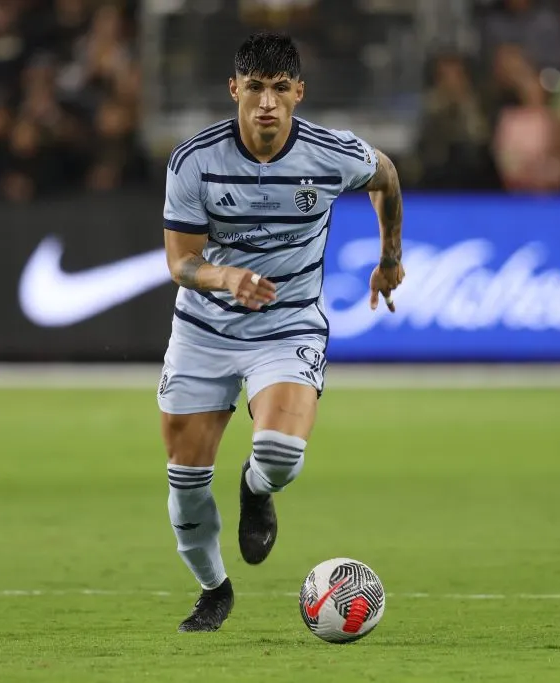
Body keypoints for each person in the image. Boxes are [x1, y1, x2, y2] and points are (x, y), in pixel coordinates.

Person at [157, 31, 405, 632]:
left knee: (281, 455)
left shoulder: (329, 154)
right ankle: (213, 588)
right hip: (205, 329)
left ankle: (255, 487)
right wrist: (224, 276)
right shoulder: (194, 162)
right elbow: (180, 263)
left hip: (287, 323)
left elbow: (386, 177)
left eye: (278, 89)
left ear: (298, 92)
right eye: (255, 88)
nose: (266, 102)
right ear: (234, 89)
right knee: (187, 482)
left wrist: (390, 257)